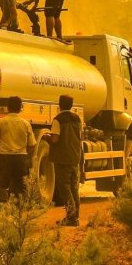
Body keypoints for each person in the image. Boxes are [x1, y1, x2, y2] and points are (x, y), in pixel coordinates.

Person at [0, 96, 34, 205]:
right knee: (21, 185)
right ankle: (19, 208)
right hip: (21, 158)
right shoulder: (26, 124)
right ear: (20, 108)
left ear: (8, 108)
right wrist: (24, 153)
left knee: (1, 184)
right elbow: (32, 144)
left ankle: (3, 205)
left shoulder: (0, 122)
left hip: (4, 157)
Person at [47, 95, 82, 226]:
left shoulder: (58, 120)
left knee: (64, 188)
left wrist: (47, 138)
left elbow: (55, 139)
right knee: (74, 188)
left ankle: (71, 218)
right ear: (71, 105)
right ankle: (75, 217)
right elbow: (80, 136)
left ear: (59, 104)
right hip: (75, 157)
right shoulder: (77, 118)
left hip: (62, 159)